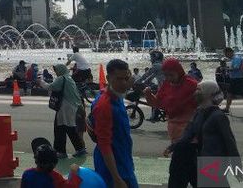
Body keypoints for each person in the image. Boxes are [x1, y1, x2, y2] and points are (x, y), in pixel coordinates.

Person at [166, 80, 240, 187]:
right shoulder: (199, 113)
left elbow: (230, 142)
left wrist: (236, 168)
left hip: (215, 163)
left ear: (208, 94)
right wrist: (173, 147)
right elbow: (189, 133)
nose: (196, 92)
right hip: (203, 161)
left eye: (199, 90)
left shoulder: (218, 116)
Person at [90, 59, 138, 188]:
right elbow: (104, 144)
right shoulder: (104, 106)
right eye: (119, 79)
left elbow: (124, 84)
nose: (123, 83)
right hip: (112, 168)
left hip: (123, 159)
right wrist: (116, 178)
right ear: (108, 78)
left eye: (125, 78)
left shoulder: (116, 95)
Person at [143, 58, 197, 142]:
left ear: (179, 72)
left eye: (171, 75)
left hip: (190, 129)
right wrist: (148, 94)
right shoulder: (167, 85)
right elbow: (157, 103)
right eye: (166, 75)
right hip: (173, 129)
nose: (168, 78)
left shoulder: (191, 84)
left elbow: (202, 102)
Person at [39, 64, 86, 158]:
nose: (56, 72)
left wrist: (41, 82)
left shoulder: (61, 78)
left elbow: (50, 87)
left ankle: (62, 151)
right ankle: (79, 149)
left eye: (56, 70)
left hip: (65, 107)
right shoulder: (69, 78)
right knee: (66, 127)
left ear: (60, 70)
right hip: (71, 107)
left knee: (61, 128)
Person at [223, 47, 242, 114]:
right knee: (229, 93)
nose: (225, 55)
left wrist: (227, 69)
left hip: (239, 79)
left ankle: (227, 108)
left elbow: (236, 68)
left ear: (230, 52)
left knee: (238, 95)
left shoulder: (236, 58)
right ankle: (227, 109)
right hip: (234, 79)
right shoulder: (232, 59)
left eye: (226, 54)